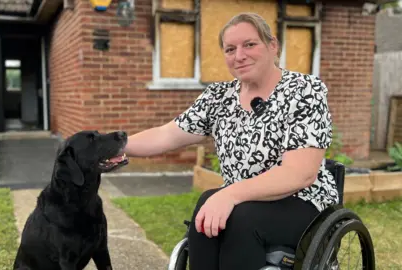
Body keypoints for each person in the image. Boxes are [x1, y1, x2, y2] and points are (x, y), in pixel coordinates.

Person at [121, 12, 338, 270]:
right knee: (207, 210)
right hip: (242, 201)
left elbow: (299, 173)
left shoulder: (304, 91)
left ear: (272, 46)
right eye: (230, 49)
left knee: (237, 218)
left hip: (303, 201)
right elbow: (167, 134)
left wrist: (230, 195)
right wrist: (115, 146)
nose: (239, 55)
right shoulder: (219, 97)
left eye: (249, 44)